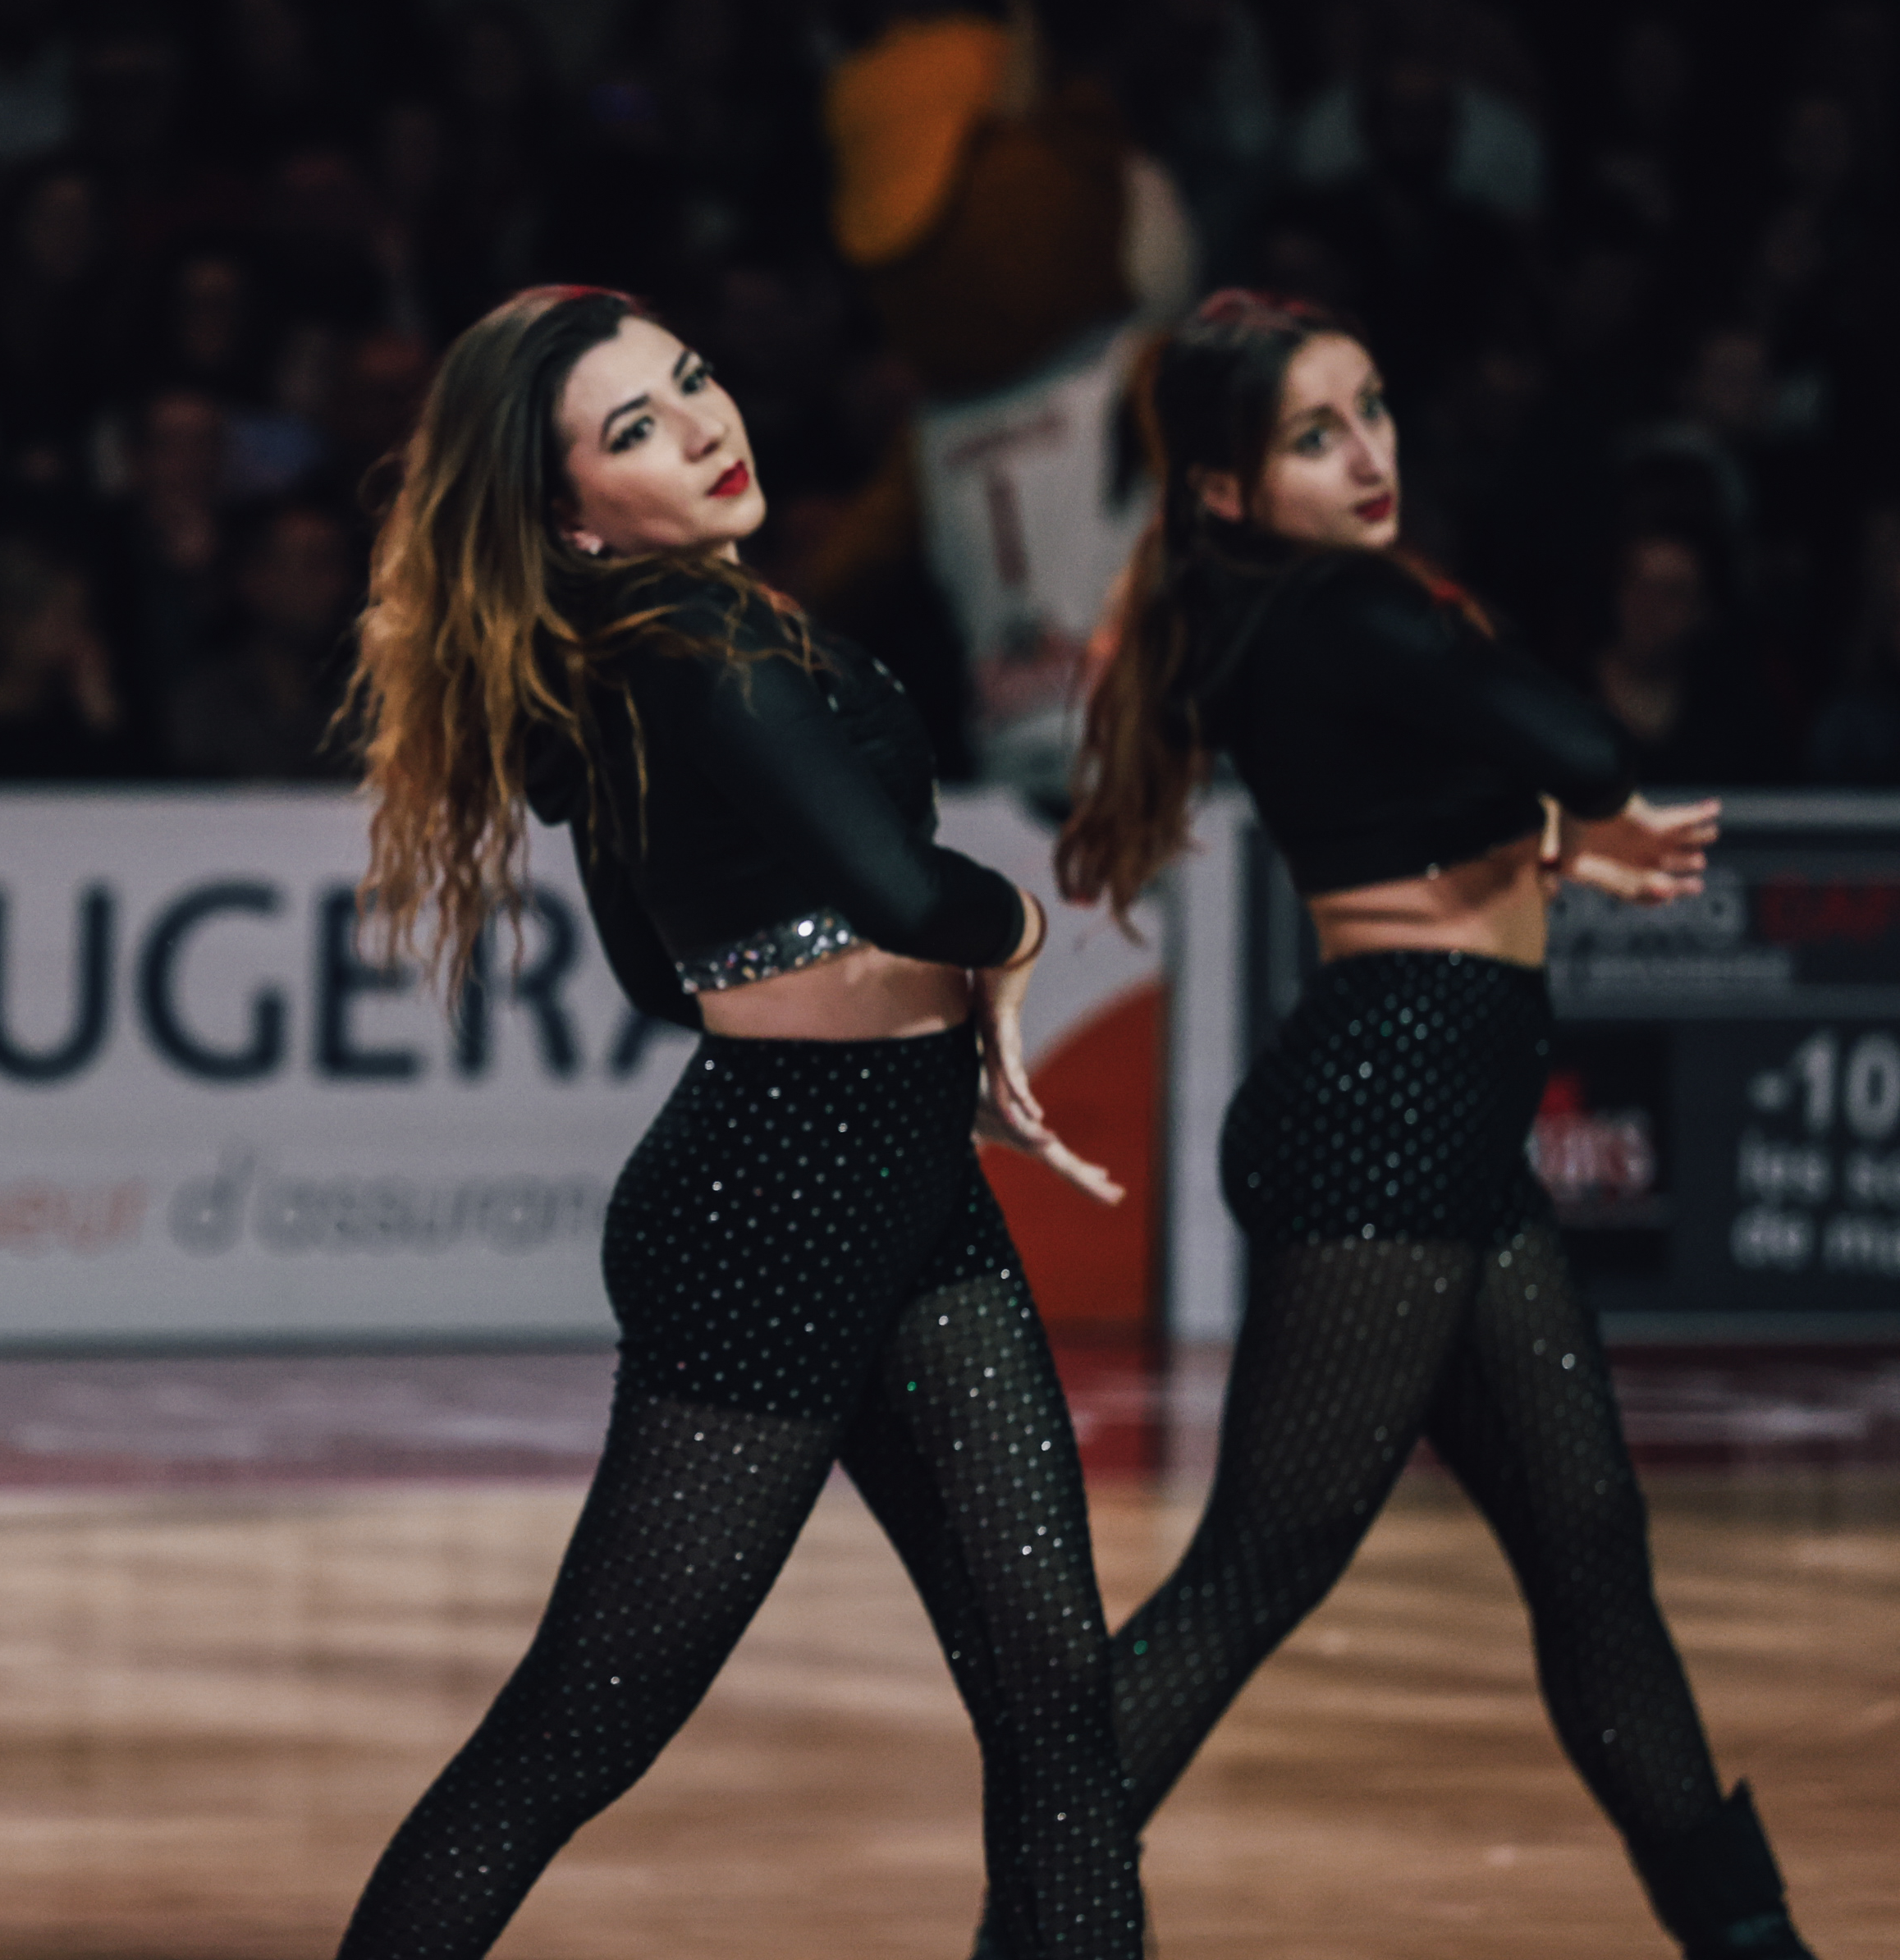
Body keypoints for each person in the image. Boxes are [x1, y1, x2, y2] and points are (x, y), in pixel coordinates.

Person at [334, 286, 1146, 1959]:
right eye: (637, 427)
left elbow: (660, 966)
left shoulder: (650, 656)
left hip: (888, 1185)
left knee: (1061, 1696)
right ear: (569, 511)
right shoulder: (695, 648)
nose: (704, 424)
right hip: (781, 1208)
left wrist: (902, 1003)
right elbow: (903, 886)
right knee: (574, 1734)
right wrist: (1009, 936)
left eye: (692, 382)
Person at [1055, 291, 1817, 1960]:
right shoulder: (1342, 604)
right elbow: (1583, 736)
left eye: (1375, 410)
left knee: (1592, 1551)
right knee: (1265, 1565)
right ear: (1229, 490)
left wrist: (1560, 844)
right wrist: (1583, 806)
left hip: (1428, 1113)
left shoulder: (1295, 611)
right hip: (1391, 1108)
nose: (1370, 451)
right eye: (1317, 434)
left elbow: (1435, 814)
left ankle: (1751, 1935)